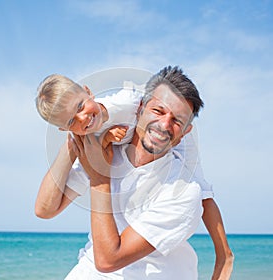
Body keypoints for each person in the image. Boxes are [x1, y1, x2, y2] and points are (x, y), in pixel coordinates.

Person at [35, 68, 233, 279]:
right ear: (140, 109)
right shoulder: (107, 147)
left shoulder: (183, 190)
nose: (164, 124)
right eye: (158, 111)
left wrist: (100, 179)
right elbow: (45, 210)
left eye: (177, 120)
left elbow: (108, 260)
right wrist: (74, 142)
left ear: (185, 131)